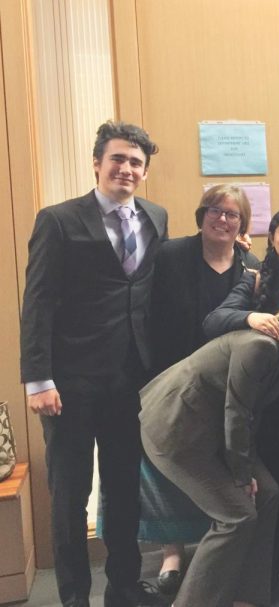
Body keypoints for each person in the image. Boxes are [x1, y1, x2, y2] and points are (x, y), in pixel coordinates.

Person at [19, 121, 167, 607]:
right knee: (70, 498)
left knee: (125, 490)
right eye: (118, 159)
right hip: (70, 384)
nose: (126, 169)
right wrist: (38, 379)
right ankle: (74, 598)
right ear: (98, 163)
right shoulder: (59, 220)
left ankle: (123, 587)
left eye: (136, 162)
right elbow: (37, 303)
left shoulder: (155, 217)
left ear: (145, 171)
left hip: (130, 381)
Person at [140, 276, 279, 607]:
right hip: (175, 430)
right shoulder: (262, 344)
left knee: (269, 493)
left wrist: (246, 471)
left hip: (211, 429)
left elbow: (247, 413)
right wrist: (242, 475)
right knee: (236, 516)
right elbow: (237, 412)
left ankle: (246, 598)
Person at [132, 184, 260, 596]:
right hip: (169, 381)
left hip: (219, 384)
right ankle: (172, 552)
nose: (222, 220)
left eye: (232, 214)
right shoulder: (171, 256)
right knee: (170, 472)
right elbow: (146, 315)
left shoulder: (250, 266)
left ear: (242, 224)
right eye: (215, 211)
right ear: (201, 214)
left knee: (214, 470)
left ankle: (211, 551)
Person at [203, 206, 279, 597]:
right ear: (271, 236)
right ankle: (268, 565)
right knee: (269, 486)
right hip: (268, 400)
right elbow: (214, 320)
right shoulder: (255, 277)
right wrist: (250, 318)